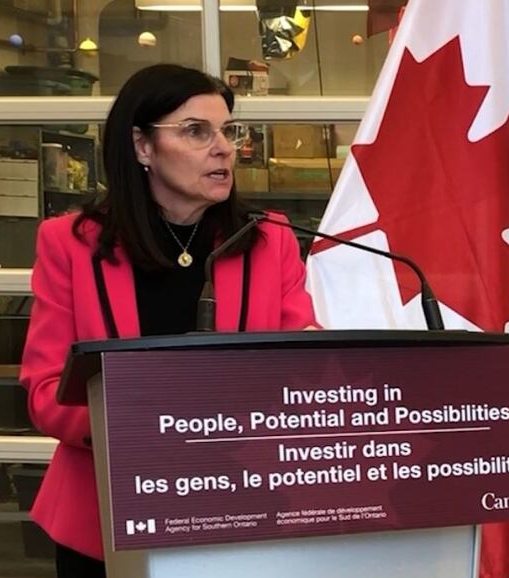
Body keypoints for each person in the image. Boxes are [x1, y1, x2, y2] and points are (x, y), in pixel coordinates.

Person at [19, 64, 317, 577]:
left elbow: (300, 372)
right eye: (197, 131)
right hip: (106, 519)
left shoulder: (270, 241)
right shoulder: (70, 244)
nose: (224, 148)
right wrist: (149, 432)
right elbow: (47, 392)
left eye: (229, 130)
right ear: (142, 147)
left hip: (243, 509)